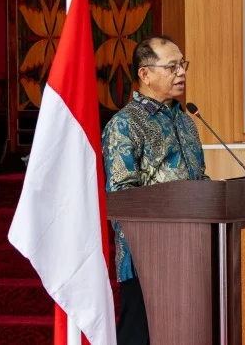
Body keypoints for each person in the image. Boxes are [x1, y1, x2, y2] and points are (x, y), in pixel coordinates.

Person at [102, 36, 208, 345]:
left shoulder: (186, 122)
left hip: (192, 248)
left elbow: (197, 179)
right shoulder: (124, 124)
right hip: (147, 257)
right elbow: (122, 196)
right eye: (172, 66)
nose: (181, 73)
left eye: (182, 65)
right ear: (145, 74)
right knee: (141, 335)